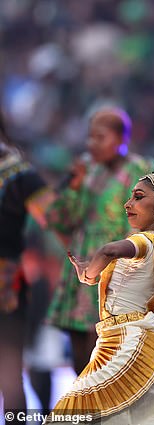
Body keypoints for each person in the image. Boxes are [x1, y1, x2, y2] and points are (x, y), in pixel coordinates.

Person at [45, 165, 154, 424]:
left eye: (138, 197)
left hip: (126, 348)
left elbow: (109, 250)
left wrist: (89, 274)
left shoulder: (145, 242)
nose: (128, 204)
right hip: (148, 350)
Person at [46, 107, 151, 376]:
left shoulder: (139, 169)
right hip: (83, 265)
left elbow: (150, 218)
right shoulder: (88, 172)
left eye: (100, 137)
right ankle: (85, 409)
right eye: (90, 137)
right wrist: (74, 186)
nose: (92, 144)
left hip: (116, 267)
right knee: (79, 350)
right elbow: (57, 218)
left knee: (106, 349)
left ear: (121, 139)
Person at [0, 109, 54, 422]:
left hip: (9, 286)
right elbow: (57, 218)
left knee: (10, 374)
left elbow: (56, 219)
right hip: (10, 285)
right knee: (10, 376)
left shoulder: (18, 172)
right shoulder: (19, 171)